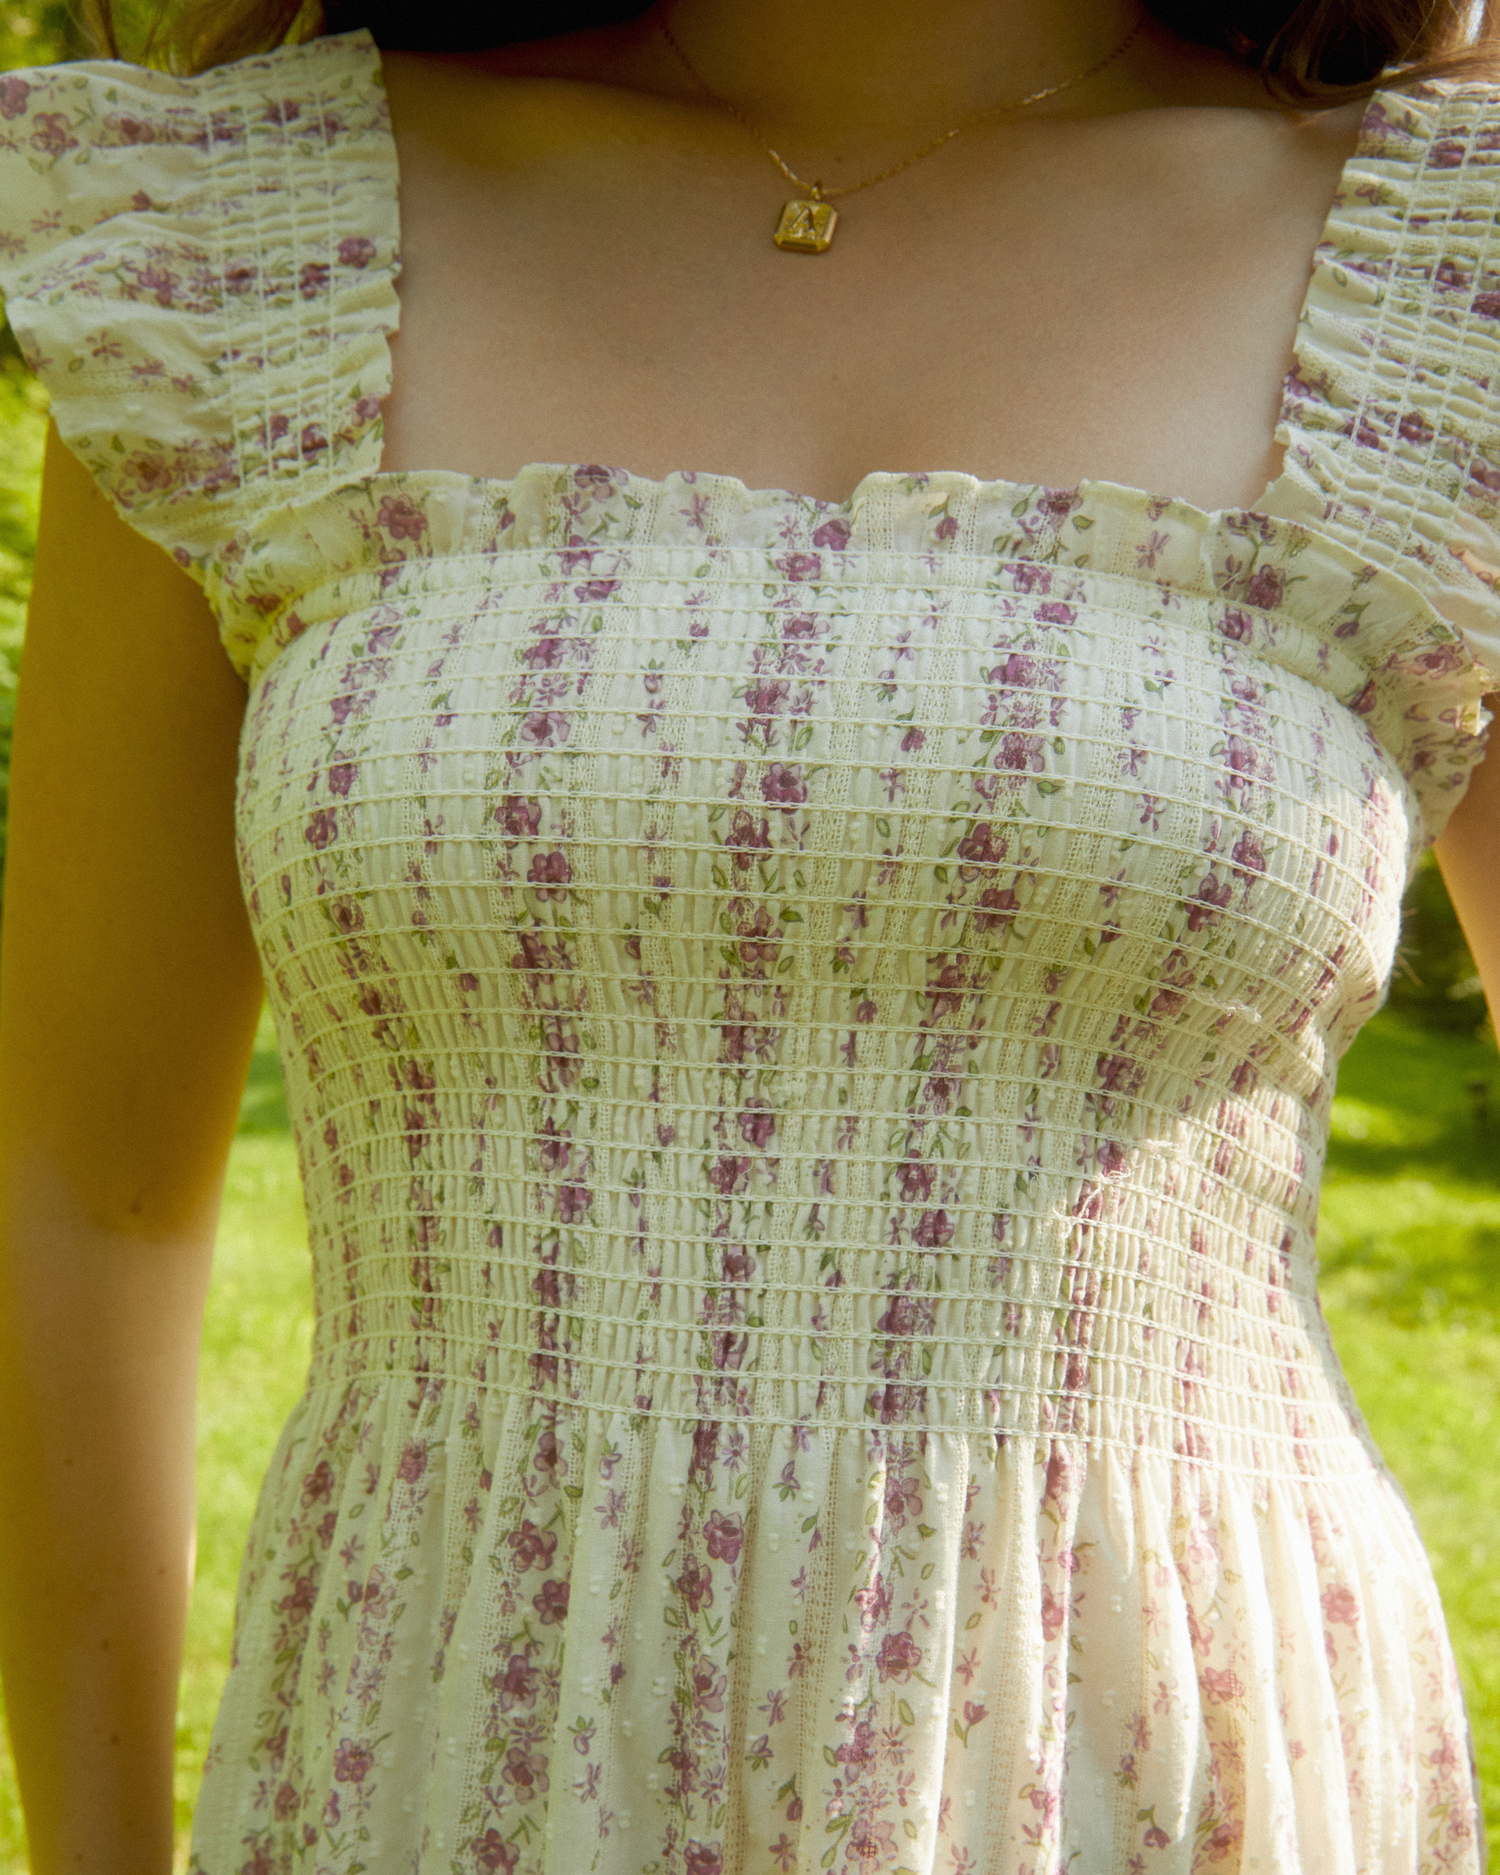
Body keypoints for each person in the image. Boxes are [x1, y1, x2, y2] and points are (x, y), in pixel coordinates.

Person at [0, 0, 1497, 1867]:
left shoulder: (1450, 267)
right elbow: (86, 1188)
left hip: (1147, 1773)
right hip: (442, 1764)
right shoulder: (229, 250)